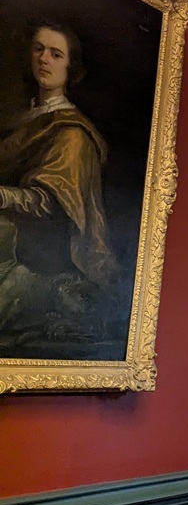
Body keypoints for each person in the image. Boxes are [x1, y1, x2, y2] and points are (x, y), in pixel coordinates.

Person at [0, 21, 118, 353]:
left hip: (40, 263)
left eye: (56, 54)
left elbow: (50, 203)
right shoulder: (24, 119)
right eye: (38, 49)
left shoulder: (72, 134)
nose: (44, 59)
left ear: (71, 68)